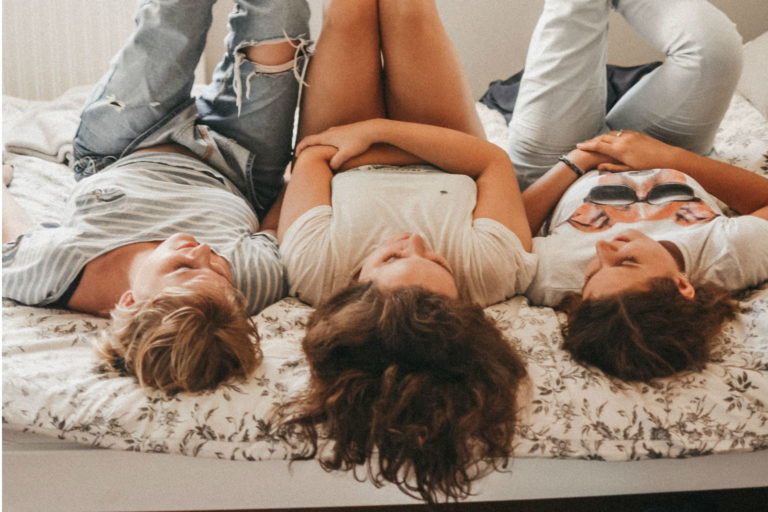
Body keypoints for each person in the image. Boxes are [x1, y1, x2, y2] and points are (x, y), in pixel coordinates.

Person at [276, 0, 535, 503]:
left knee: (350, 12)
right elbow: (490, 163)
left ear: (354, 285)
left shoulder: (316, 269)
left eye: (391, 259)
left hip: (381, 149)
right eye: (438, 261)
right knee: (407, 7)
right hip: (443, 141)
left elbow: (312, 156)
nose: (414, 242)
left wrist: (363, 137)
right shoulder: (491, 272)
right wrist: (381, 132)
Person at [2, 0, 311, 394]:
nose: (203, 251)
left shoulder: (58, 271)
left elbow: (11, 236)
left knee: (178, 13)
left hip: (125, 144)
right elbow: (278, 218)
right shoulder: (249, 282)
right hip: (239, 164)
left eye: (183, 266)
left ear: (129, 302)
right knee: (282, 15)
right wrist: (300, 167)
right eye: (220, 270)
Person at [508, 0, 768, 381]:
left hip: (558, 162)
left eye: (593, 272)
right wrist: (669, 156)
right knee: (716, 51)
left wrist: (577, 162)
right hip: (663, 147)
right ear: (682, 286)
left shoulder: (557, 279)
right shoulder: (725, 257)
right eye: (628, 261)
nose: (604, 249)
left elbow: (504, 227)